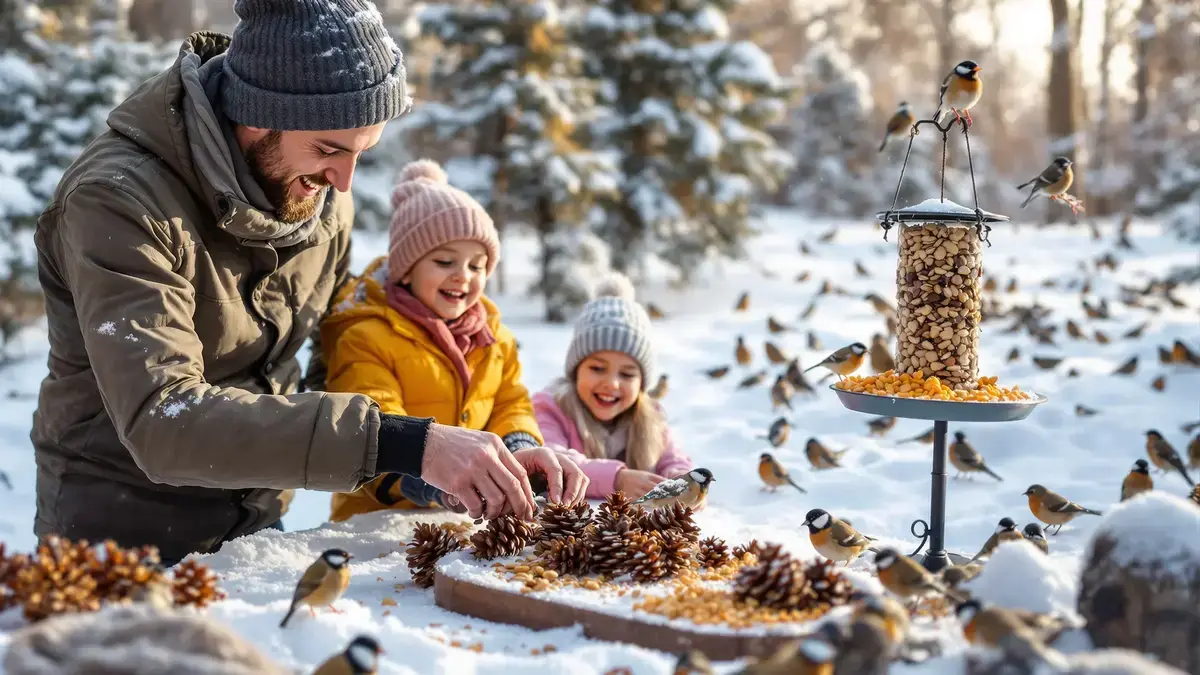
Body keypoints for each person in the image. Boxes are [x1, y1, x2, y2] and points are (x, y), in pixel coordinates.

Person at [28, 0, 560, 567]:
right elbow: (163, 418)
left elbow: (351, 343)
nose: (343, 179)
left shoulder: (322, 198)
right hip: (115, 537)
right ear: (256, 116)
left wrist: (484, 454)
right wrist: (408, 444)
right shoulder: (119, 201)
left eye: (361, 152)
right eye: (329, 149)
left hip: (255, 530)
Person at [320, 158, 588, 522]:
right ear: (407, 270)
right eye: (445, 261)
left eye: (477, 265)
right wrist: (438, 481)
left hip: (459, 523)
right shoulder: (367, 336)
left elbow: (510, 404)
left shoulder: (493, 338)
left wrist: (517, 448)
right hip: (374, 525)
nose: (463, 276)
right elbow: (372, 433)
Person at [532, 275, 695, 502]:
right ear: (576, 370)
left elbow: (673, 458)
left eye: (627, 374)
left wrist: (682, 481)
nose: (612, 383)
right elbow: (551, 460)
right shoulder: (550, 408)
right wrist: (616, 480)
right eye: (598, 368)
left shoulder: (650, 417)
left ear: (642, 384)